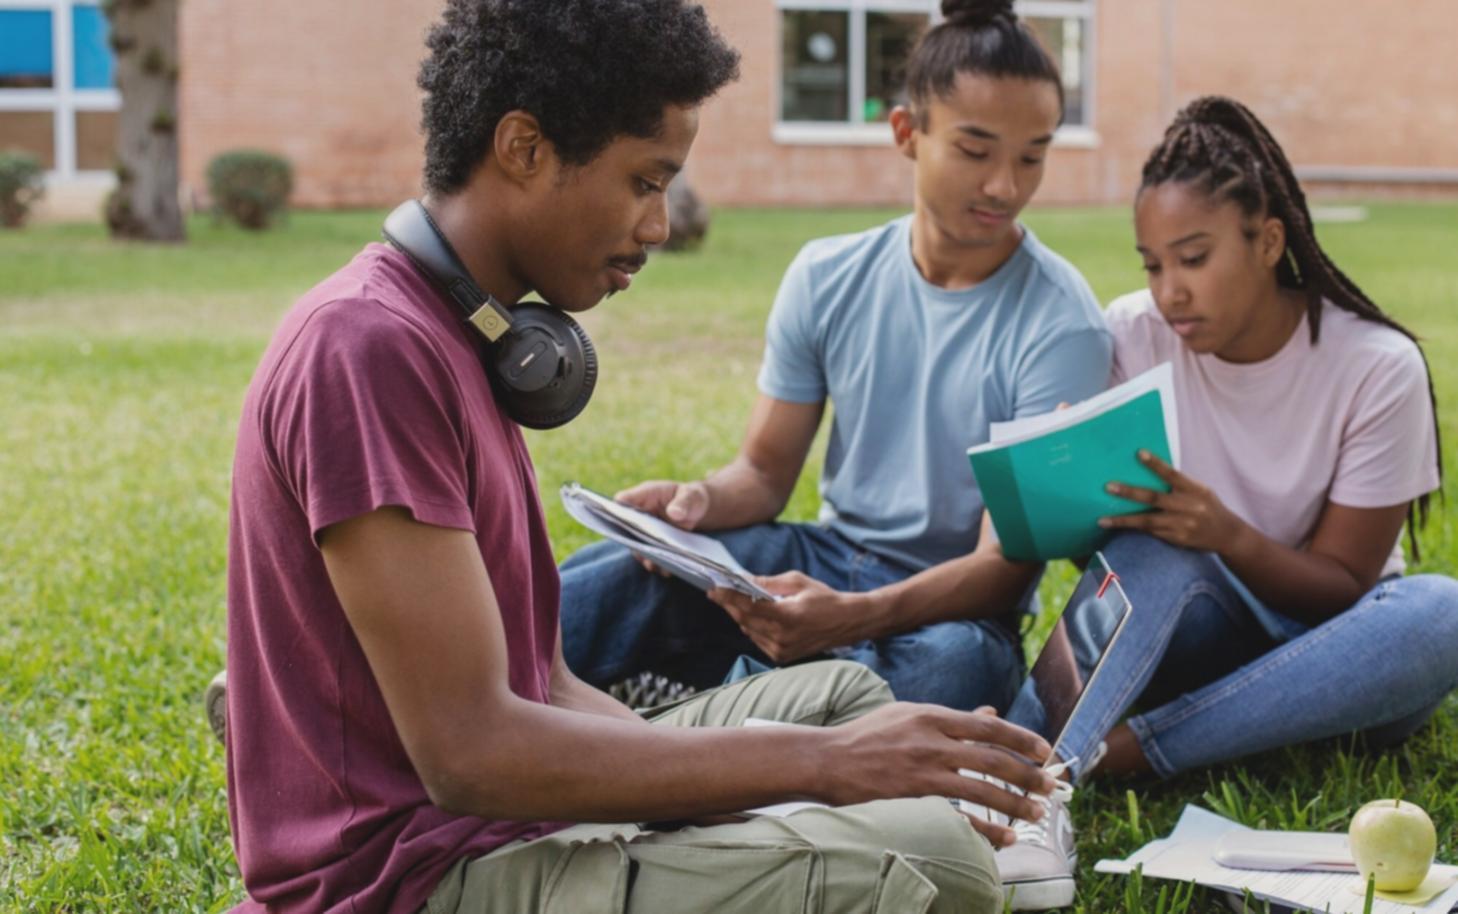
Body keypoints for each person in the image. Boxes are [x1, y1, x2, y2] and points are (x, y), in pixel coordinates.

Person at [223, 2, 1062, 912]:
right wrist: (820, 772)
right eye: (644, 181)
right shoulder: (367, 350)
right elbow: (471, 757)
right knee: (938, 862)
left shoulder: (473, 334)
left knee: (848, 697)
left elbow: (543, 683)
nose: (659, 225)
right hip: (416, 876)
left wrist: (746, 798)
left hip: (509, 820)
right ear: (524, 148)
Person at [559, 0, 1112, 717]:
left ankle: (714, 701)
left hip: (948, 612)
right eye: (976, 151)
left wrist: (851, 617)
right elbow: (761, 475)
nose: (1006, 185)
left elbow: (1000, 570)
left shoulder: (1063, 323)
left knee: (959, 673)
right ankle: (738, 708)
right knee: (611, 576)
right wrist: (696, 502)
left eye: (1032, 155)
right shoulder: (828, 276)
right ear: (907, 133)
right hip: (822, 559)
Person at [1034, 95, 1458, 908]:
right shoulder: (1133, 335)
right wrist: (1067, 478)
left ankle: (1116, 752)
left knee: (1440, 612)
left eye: (1193, 258)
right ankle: (1027, 754)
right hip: (1196, 635)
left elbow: (1342, 585)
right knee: (1154, 551)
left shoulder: (1376, 366)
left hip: (1339, 657)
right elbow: (1108, 563)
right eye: (1152, 264)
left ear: (1267, 242)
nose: (1169, 293)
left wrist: (1227, 532)